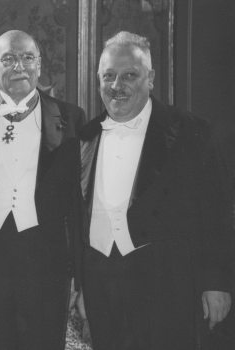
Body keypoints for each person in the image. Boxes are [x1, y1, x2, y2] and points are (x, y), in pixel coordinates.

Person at [78, 31, 233, 350]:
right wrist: (81, 285)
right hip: (101, 285)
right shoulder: (85, 136)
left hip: (168, 285)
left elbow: (218, 213)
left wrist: (216, 283)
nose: (116, 86)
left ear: (150, 79)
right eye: (108, 76)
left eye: (129, 75)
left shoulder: (192, 131)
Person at [0, 29, 85, 350]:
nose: (19, 66)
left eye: (28, 57)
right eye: (8, 58)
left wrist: (79, 276)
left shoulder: (71, 118)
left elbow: (78, 203)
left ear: (39, 65)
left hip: (47, 263)